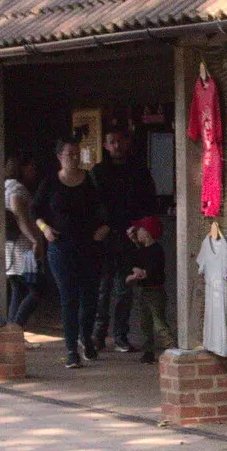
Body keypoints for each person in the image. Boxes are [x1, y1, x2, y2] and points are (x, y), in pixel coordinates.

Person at [34, 138, 109, 369]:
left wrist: (104, 228)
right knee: (69, 298)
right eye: (70, 154)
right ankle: (70, 349)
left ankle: (85, 339)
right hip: (61, 246)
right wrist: (44, 229)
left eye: (77, 154)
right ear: (59, 157)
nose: (75, 158)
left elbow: (105, 208)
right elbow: (35, 211)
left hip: (89, 245)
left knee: (89, 296)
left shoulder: (90, 180)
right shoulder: (50, 183)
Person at [91, 127, 158, 352]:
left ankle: (120, 335)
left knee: (124, 289)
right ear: (106, 145)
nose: (116, 145)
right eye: (112, 141)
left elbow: (148, 202)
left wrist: (140, 228)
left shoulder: (138, 170)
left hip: (130, 237)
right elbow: (95, 206)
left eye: (119, 140)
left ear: (125, 143)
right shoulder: (98, 172)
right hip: (107, 238)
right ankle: (98, 335)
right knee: (103, 289)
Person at [125, 216, 174, 363]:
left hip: (155, 291)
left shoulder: (156, 250)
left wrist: (140, 273)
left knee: (159, 323)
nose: (137, 233)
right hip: (143, 291)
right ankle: (148, 351)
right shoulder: (141, 249)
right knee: (145, 323)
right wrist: (133, 240)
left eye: (139, 230)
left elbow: (151, 270)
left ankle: (172, 348)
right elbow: (133, 258)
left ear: (146, 233)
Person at [3, 156, 44, 328]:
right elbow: (20, 217)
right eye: (31, 167)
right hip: (22, 247)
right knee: (37, 290)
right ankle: (15, 328)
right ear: (22, 168)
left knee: (17, 290)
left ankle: (12, 332)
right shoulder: (17, 189)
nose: (34, 171)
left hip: (10, 246)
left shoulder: (5, 185)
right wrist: (35, 240)